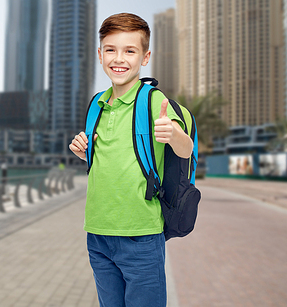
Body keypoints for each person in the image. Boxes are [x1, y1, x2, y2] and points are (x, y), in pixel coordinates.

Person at [69, 13, 193, 307]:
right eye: (110, 49)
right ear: (100, 55)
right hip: (97, 233)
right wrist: (81, 151)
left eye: (130, 50)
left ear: (145, 56)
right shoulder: (96, 104)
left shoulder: (153, 101)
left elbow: (186, 149)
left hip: (140, 235)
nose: (118, 58)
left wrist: (172, 133)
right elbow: (105, 158)